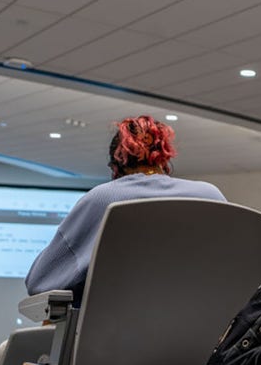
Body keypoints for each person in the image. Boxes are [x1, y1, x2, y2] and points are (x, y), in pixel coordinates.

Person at [25, 115, 226, 306]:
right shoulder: (210, 196)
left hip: (110, 339)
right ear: (164, 160)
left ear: (115, 165)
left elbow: (39, 282)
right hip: (206, 338)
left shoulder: (102, 200)